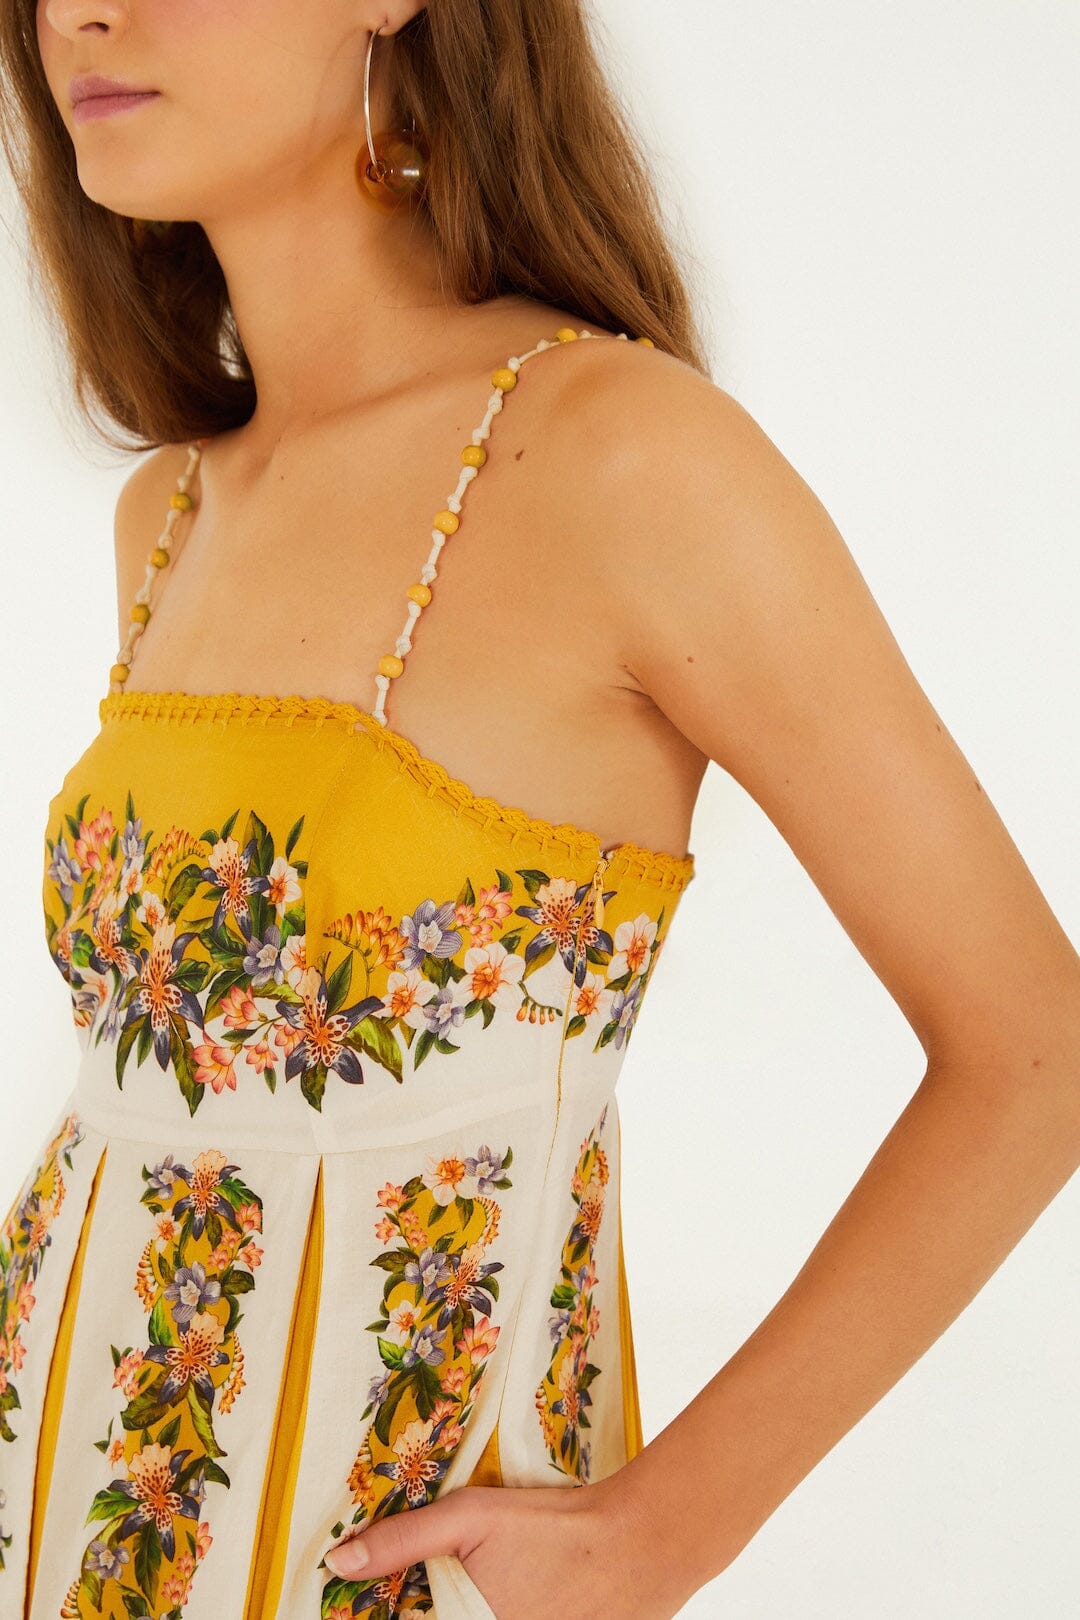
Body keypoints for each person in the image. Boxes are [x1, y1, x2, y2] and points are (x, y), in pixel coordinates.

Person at [2, 2, 1078, 1617]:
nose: (85, 11)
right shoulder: (173, 506)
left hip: (375, 1565)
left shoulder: (625, 458)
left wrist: (667, 1531)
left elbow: (1037, 1050)